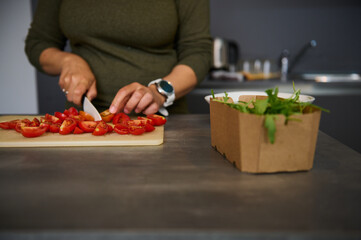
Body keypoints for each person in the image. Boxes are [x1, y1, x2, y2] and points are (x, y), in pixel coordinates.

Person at [25, 0, 212, 116]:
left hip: (162, 120)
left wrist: (159, 92)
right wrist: (68, 61)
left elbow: (198, 52)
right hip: (83, 120)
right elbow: (38, 43)